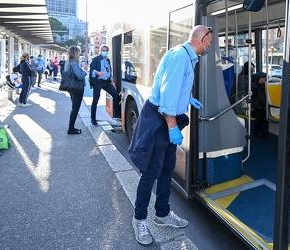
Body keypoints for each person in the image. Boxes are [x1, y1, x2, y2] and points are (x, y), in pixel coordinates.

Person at [128, 25, 212, 245]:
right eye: (209, 42)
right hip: (160, 117)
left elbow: (176, 88)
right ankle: (139, 219)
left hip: (166, 115)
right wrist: (172, 127)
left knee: (167, 168)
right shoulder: (180, 58)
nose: (209, 46)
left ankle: (162, 214)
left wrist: (187, 100)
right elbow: (166, 100)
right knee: (150, 171)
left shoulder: (187, 57)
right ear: (201, 40)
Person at [89, 44, 121, 126]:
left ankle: (117, 114)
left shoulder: (108, 60)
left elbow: (109, 71)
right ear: (100, 51)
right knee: (95, 100)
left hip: (107, 82)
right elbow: (92, 69)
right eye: (103, 50)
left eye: (106, 51)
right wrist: (98, 72)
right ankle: (93, 119)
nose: (105, 52)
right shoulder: (96, 59)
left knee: (116, 96)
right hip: (98, 82)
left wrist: (112, 81)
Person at [64, 46, 88, 134]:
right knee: (75, 109)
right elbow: (80, 76)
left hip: (71, 87)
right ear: (76, 53)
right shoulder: (74, 63)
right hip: (77, 88)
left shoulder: (68, 62)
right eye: (79, 52)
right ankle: (71, 129)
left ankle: (71, 127)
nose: (80, 54)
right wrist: (85, 71)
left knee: (74, 108)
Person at [251, 72, 268, 139]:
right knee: (259, 116)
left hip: (261, 104)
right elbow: (252, 91)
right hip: (257, 105)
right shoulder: (256, 85)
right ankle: (257, 132)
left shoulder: (264, 86)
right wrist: (259, 83)